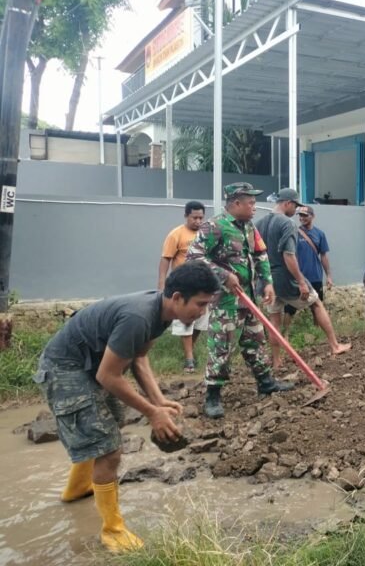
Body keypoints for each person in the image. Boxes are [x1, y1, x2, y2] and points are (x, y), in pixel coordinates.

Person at [34, 261, 219, 552]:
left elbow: (139, 359)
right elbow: (107, 375)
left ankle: (77, 489)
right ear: (177, 297)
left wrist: (158, 400)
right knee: (109, 450)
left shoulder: (162, 312)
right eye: (201, 303)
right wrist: (150, 412)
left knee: (110, 424)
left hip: (90, 365)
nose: (203, 311)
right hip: (65, 368)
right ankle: (113, 531)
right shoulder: (138, 316)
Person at [187, 182, 294, 419]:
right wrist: (223, 275)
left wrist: (267, 281)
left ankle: (265, 382)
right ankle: (213, 395)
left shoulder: (249, 227)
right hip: (224, 301)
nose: (255, 207)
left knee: (256, 341)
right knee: (221, 346)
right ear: (236, 203)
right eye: (251, 203)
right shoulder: (214, 227)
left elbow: (260, 253)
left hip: (249, 299)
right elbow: (193, 257)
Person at [255, 188, 351, 369]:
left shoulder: (259, 224)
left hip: (268, 280)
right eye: (296, 206)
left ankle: (276, 360)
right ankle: (335, 346)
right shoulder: (287, 224)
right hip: (286, 278)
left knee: (274, 319)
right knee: (316, 303)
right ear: (288, 203)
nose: (296, 211)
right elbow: (289, 255)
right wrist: (300, 281)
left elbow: (256, 254)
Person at [158, 200, 208, 373]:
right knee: (184, 321)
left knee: (201, 323)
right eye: (194, 217)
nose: (198, 221)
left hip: (203, 286)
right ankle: (189, 359)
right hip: (183, 286)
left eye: (201, 218)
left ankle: (190, 351)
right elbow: (166, 259)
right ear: (186, 215)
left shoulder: (205, 234)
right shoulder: (176, 234)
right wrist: (162, 284)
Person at [283, 205, 333, 331]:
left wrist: (329, 276)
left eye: (305, 215)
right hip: (298, 277)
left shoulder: (319, 234)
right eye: (300, 215)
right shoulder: (294, 233)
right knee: (289, 308)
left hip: (315, 276)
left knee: (317, 305)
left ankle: (317, 332)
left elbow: (324, 256)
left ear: (313, 216)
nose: (302, 218)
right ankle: (285, 335)